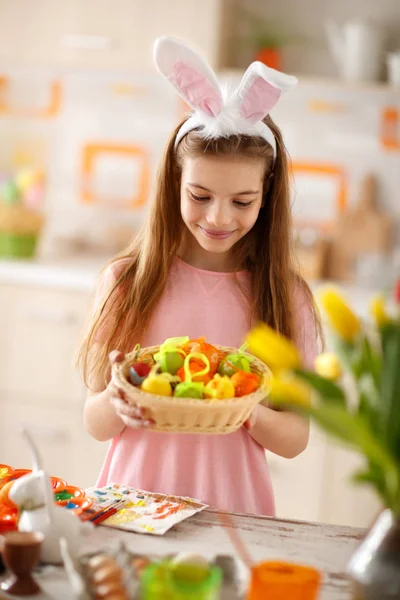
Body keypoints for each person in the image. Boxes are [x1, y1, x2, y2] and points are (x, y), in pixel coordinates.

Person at [78, 37, 320, 516]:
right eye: (200, 195)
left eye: (242, 201)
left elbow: (295, 438)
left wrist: (239, 407)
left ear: (266, 196)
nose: (219, 217)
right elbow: (95, 420)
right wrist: (118, 402)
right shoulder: (127, 280)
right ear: (174, 183)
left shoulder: (285, 297)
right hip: (134, 508)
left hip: (233, 511)